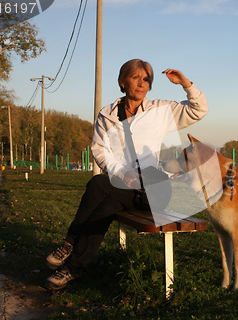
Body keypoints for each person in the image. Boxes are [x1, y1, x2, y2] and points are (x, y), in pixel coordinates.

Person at [45, 59, 208, 290]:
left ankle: (70, 244)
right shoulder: (107, 114)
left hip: (155, 190)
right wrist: (122, 172)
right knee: (106, 202)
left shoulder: (160, 111)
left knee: (99, 185)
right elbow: (99, 150)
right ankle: (73, 268)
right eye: (136, 77)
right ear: (123, 81)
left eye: (146, 79)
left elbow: (198, 110)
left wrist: (186, 84)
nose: (142, 83)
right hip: (125, 189)